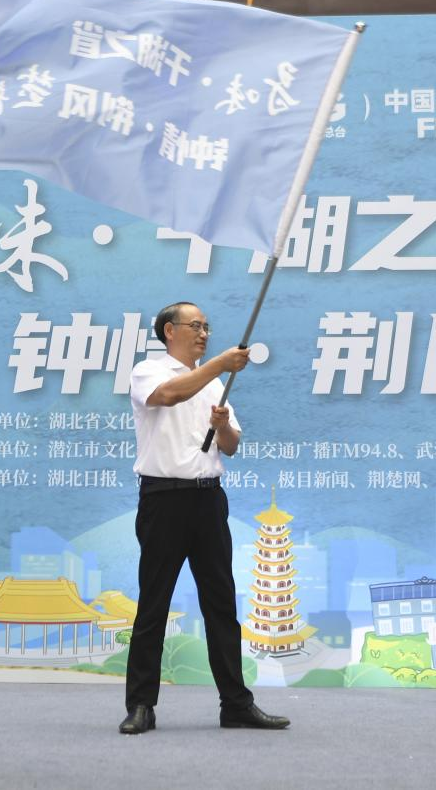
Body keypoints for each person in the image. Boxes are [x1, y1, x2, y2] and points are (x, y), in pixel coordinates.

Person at [118, 301, 290, 735]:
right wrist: (219, 364)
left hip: (208, 500)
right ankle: (141, 705)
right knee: (154, 604)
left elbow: (230, 445)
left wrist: (223, 423)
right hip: (163, 500)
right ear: (169, 330)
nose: (203, 333)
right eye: (195, 326)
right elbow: (169, 396)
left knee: (221, 605)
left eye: (207, 327)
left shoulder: (215, 386)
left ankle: (236, 704)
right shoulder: (150, 371)